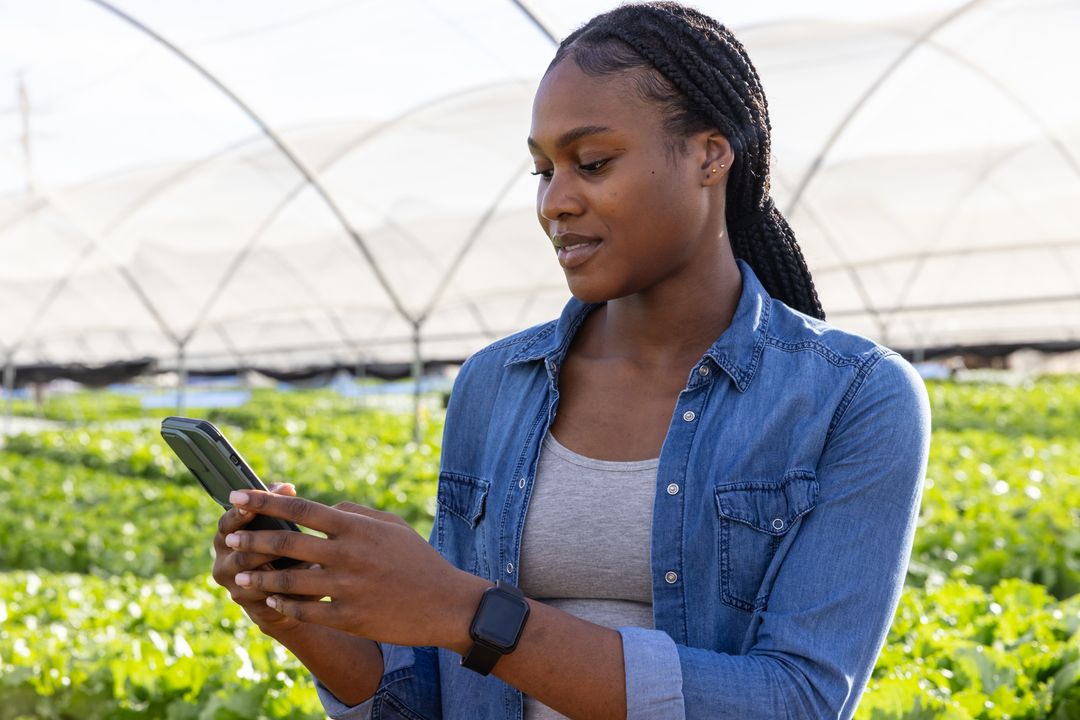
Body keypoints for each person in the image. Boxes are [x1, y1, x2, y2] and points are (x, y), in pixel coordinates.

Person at [211, 3, 931, 718]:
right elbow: (432, 696)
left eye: (592, 164)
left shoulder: (853, 396)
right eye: (542, 170)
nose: (554, 202)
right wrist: (299, 615)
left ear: (710, 155)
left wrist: (467, 610)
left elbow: (798, 701)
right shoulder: (496, 384)